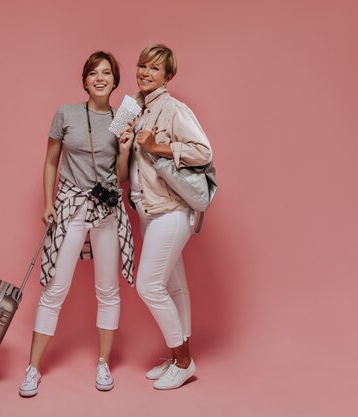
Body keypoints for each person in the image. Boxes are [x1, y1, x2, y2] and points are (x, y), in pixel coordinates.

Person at [18, 51, 135, 397]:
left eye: (107, 73)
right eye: (93, 73)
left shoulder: (122, 116)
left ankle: (103, 362)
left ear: (115, 81)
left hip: (106, 209)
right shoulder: (66, 113)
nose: (100, 78)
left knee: (108, 290)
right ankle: (32, 368)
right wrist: (48, 202)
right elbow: (51, 161)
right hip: (70, 206)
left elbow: (121, 177)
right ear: (84, 80)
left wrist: (126, 150)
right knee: (55, 287)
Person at [119, 44, 212, 390]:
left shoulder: (174, 108)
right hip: (147, 209)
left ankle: (184, 360)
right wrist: (126, 140)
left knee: (149, 285)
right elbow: (114, 144)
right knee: (174, 285)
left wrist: (158, 147)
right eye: (142, 65)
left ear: (168, 76)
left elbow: (203, 151)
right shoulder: (133, 107)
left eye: (155, 69)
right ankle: (177, 359)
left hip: (172, 210)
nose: (145, 72)